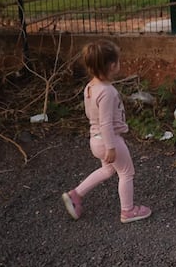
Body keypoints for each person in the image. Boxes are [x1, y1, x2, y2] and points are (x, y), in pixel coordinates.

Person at [61, 40, 151, 224]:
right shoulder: (107, 92)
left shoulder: (90, 87)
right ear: (112, 66)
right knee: (126, 173)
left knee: (108, 170)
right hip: (109, 141)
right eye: (118, 62)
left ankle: (76, 195)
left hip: (95, 138)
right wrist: (111, 147)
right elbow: (106, 123)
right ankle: (128, 211)